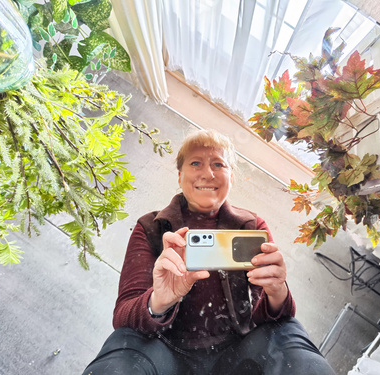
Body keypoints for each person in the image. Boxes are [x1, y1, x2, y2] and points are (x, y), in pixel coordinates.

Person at [82, 129, 336, 375]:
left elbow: (273, 319)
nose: (207, 173)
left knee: (288, 333)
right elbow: (123, 316)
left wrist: (277, 291)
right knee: (125, 344)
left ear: (231, 177)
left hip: (237, 352)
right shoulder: (151, 227)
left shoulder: (251, 227)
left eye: (218, 164)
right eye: (195, 163)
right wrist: (159, 300)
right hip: (163, 350)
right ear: (179, 176)